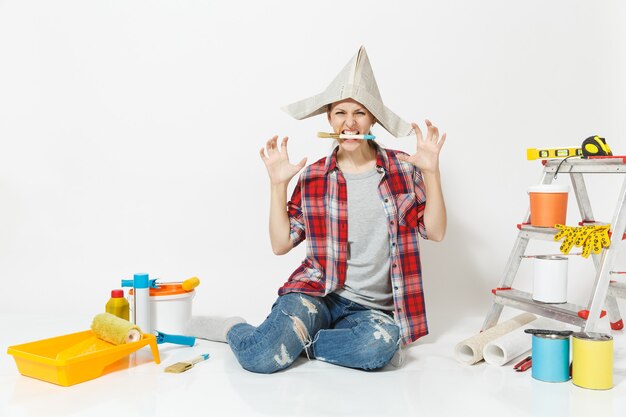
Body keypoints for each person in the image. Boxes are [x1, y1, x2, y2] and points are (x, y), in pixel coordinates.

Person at [186, 46, 447, 374]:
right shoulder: (314, 177)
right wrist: (277, 184)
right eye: (340, 113)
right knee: (259, 358)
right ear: (329, 119)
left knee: (378, 347)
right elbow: (281, 244)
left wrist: (432, 173)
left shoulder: (403, 169)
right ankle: (233, 328)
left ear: (373, 119)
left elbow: (435, 231)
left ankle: (298, 342)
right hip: (318, 294)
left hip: (372, 311)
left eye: (360, 113)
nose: (349, 123)